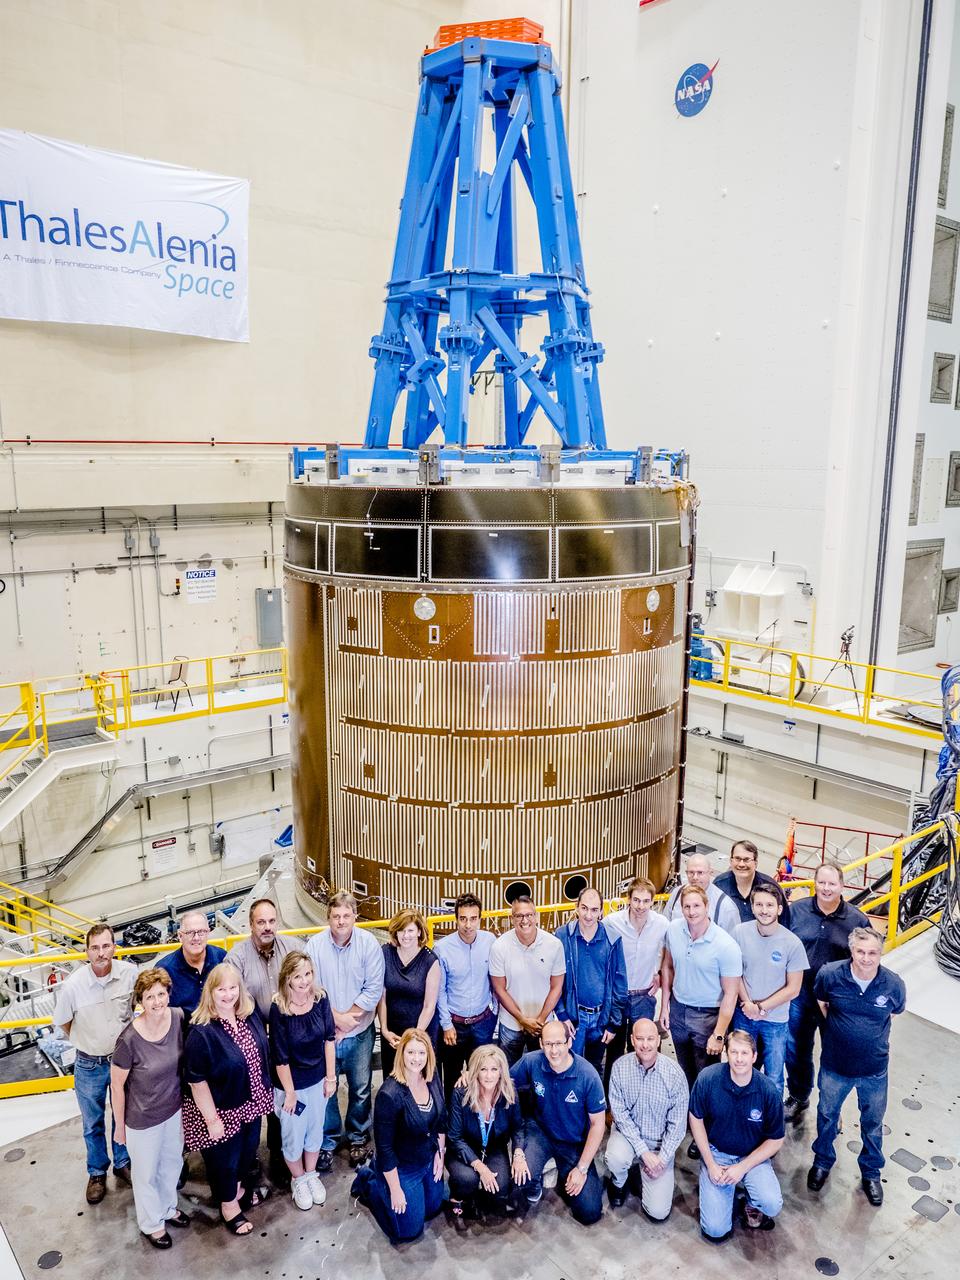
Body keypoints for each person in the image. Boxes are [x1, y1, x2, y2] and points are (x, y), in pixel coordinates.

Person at [807, 927, 906, 1206]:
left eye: (872, 952)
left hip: (874, 1070)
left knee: (872, 1123)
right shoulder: (830, 975)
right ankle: (822, 1161)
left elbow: (895, 1012)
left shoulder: (893, 985)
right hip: (835, 1065)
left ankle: (871, 1172)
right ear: (851, 951)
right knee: (827, 1115)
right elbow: (822, 1002)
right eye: (860, 952)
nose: (866, 958)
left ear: (881, 953)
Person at [183, 963, 273, 1236]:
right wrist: (211, 1120)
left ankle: (239, 1191)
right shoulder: (202, 1031)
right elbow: (196, 1081)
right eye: (221, 989)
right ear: (210, 992)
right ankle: (229, 1206)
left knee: (247, 1154)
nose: (228, 994)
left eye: (233, 988)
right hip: (222, 1111)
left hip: (252, 1102)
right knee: (225, 1162)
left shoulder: (248, 1014)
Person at [53, 922, 137, 1203]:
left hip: (122, 1062)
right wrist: (90, 1041)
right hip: (89, 1064)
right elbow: (64, 1023)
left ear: (114, 947)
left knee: (122, 1115)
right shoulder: (73, 986)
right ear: (86, 951)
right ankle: (97, 1172)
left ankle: (122, 1163)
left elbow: (137, 1008)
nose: (101, 953)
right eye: (95, 948)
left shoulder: (129, 974)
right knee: (92, 1123)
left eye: (106, 946)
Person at [660, 885, 742, 1158]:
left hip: (708, 1016)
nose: (691, 912)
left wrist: (719, 1033)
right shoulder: (674, 930)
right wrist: (665, 1005)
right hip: (679, 1011)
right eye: (687, 906)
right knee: (686, 1072)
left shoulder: (725, 945)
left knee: (706, 1078)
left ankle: (704, 1130)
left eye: (697, 906)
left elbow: (731, 993)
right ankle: (690, 1118)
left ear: (707, 907)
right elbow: (668, 966)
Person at [783, 861, 870, 1122]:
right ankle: (799, 1095)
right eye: (821, 882)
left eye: (832, 883)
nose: (826, 888)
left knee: (834, 1054)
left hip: (835, 1003)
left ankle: (832, 1106)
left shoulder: (856, 920)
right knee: (795, 1048)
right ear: (814, 883)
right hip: (799, 994)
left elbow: (867, 961)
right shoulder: (796, 912)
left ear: (842, 886)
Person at [305, 891, 385, 1170]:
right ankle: (328, 1140)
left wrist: (349, 1020)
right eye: (336, 916)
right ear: (328, 918)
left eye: (346, 916)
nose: (341, 921)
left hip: (360, 1033)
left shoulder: (369, 945)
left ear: (355, 917)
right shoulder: (314, 947)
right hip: (326, 1035)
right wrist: (337, 1021)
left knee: (361, 1088)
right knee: (327, 1089)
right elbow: (311, 989)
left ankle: (358, 1137)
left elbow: (373, 987)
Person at [110, 968, 189, 1248]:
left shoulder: (178, 1018)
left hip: (174, 1110)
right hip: (142, 1120)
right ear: (140, 1001)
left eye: (161, 994)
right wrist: (120, 1127)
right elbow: (117, 1086)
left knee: (172, 1164)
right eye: (149, 996)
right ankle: (151, 1223)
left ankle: (168, 1208)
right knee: (145, 1173)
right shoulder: (128, 1039)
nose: (157, 1001)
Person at [351, 1028, 447, 1245]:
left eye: (422, 1053)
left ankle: (415, 1190)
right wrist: (395, 1189)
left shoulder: (432, 1078)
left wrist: (440, 1154)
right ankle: (370, 1182)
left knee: (434, 1208)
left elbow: (441, 1120)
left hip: (428, 1157)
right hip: (402, 1166)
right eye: (411, 1052)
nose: (416, 1059)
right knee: (409, 1231)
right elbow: (385, 1148)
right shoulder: (389, 1094)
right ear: (401, 1053)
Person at [688, 1029, 785, 1241]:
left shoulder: (768, 1091)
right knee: (715, 1230)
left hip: (751, 1158)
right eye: (734, 1052)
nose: (739, 1059)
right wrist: (711, 1163)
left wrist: (742, 1167)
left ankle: (751, 1201)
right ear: (726, 1054)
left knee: (771, 1203)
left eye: (744, 1053)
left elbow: (776, 1139)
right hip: (717, 1155)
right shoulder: (708, 1079)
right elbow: (695, 1119)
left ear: (754, 1056)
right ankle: (721, 1192)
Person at [510, 1020, 606, 1226]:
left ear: (569, 1042)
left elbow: (598, 1125)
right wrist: (469, 1077)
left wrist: (581, 1169)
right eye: (549, 1044)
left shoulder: (587, 1075)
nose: (554, 1051)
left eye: (559, 1044)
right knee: (522, 1178)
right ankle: (537, 1179)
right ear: (541, 1044)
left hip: (573, 1141)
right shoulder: (531, 1062)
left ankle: (566, 1172)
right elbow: (503, 1080)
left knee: (589, 1212)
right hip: (541, 1133)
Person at [231, 896, 295, 1186]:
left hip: (285, 1041)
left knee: (283, 1097)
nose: (267, 927)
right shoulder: (237, 957)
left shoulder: (293, 949)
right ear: (251, 924)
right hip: (254, 1042)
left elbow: (305, 985)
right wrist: (260, 1033)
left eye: (271, 921)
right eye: (261, 922)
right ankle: (252, 1158)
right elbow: (236, 1001)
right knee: (257, 1100)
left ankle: (281, 1153)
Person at [269, 951, 337, 1211]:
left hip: (317, 1081)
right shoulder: (279, 1008)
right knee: (293, 1137)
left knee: (314, 1132)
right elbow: (280, 1056)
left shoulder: (320, 999)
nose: (304, 981)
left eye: (308, 974)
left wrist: (330, 1078)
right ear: (287, 978)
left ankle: (310, 1174)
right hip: (291, 1087)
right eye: (297, 976)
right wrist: (290, 1093)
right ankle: (297, 1179)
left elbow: (329, 1039)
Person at [604, 1018, 688, 1220]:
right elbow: (620, 1115)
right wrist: (643, 1152)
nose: (645, 1044)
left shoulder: (674, 1074)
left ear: (658, 1040)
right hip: (628, 1137)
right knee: (615, 1158)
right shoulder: (619, 1068)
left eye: (650, 1039)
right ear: (632, 1040)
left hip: (659, 1146)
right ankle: (619, 1181)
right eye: (640, 1039)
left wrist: (662, 1159)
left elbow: (677, 1126)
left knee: (658, 1213)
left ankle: (650, 1171)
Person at [732, 883, 808, 1096]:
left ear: (779, 909)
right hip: (744, 1014)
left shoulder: (792, 943)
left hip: (775, 1020)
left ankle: (772, 1124)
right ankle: (741, 1109)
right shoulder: (739, 933)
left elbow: (793, 988)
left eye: (770, 905)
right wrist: (748, 1004)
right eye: (759, 904)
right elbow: (734, 972)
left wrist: (761, 1007)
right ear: (752, 906)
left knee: (774, 1075)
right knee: (739, 1067)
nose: (764, 910)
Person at [446, 1044, 523, 1229]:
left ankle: (478, 1194)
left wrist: (519, 1153)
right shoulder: (461, 1092)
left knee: (500, 1189)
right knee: (468, 1179)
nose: (489, 1075)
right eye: (483, 1069)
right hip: (464, 1148)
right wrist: (480, 1168)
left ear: (501, 1071)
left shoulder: (509, 1091)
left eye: (494, 1069)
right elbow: (455, 1138)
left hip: (494, 1147)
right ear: (475, 1071)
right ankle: (459, 1196)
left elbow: (518, 1127)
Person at [603, 877, 669, 1085]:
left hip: (644, 997)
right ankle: (610, 1100)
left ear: (652, 901)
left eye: (646, 901)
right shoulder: (612, 923)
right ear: (629, 899)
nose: (641, 906)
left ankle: (646, 1090)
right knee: (614, 1051)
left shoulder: (661, 924)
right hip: (618, 996)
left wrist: (659, 974)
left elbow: (669, 954)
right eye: (637, 900)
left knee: (644, 1051)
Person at [433, 894, 498, 1103]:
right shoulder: (442, 948)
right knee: (452, 1079)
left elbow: (495, 978)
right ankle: (453, 1128)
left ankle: (476, 1119)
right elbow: (439, 990)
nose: (468, 924)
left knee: (482, 1076)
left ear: (480, 918)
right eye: (463, 918)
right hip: (454, 1026)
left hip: (482, 1023)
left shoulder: (490, 941)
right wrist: (446, 1024)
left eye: (473, 918)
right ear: (455, 919)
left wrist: (494, 1012)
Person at [554, 887, 626, 1074]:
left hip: (601, 1018)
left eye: (594, 910)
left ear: (601, 911)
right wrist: (562, 1014)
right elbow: (553, 979)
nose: (588, 915)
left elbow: (620, 983)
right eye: (584, 908)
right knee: (569, 1067)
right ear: (576, 907)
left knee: (594, 1069)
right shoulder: (563, 936)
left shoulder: (612, 939)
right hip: (573, 1017)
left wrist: (613, 1023)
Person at [489, 895, 565, 1065]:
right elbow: (499, 989)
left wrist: (541, 1019)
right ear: (512, 918)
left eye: (529, 915)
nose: (525, 920)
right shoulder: (499, 947)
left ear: (536, 916)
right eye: (519, 916)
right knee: (509, 1076)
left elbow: (557, 987)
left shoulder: (554, 945)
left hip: (543, 1024)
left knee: (542, 1074)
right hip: (511, 1025)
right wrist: (522, 1019)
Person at [378, 908, 440, 1079]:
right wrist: (384, 1029)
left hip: (420, 1031)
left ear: (419, 931)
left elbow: (429, 1006)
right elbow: (381, 996)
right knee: (392, 1078)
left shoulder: (430, 960)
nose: (406, 935)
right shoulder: (385, 953)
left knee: (420, 1077)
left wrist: (413, 1038)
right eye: (401, 930)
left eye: (410, 930)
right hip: (392, 1032)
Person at [157, 910, 227, 1015]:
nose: (196, 938)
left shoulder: (222, 958)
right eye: (190, 933)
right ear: (180, 936)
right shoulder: (164, 970)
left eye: (201, 932)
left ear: (208, 933)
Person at [714, 840, 792, 928]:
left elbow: (784, 922)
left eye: (747, 860)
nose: (741, 864)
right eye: (737, 858)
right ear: (731, 861)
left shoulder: (771, 887)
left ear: (755, 863)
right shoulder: (719, 885)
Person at [662, 853, 740, 935]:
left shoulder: (726, 907)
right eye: (691, 872)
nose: (695, 877)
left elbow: (732, 943)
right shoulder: (677, 894)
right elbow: (665, 927)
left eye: (700, 872)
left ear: (710, 873)